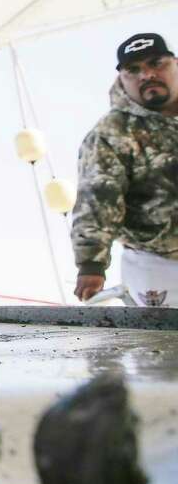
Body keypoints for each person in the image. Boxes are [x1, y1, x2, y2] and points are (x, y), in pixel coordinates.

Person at [71, 32, 178, 306]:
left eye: (156, 63)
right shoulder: (111, 133)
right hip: (157, 263)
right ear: (122, 79)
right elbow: (98, 198)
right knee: (164, 346)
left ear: (174, 64)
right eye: (134, 70)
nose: (147, 75)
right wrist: (91, 265)